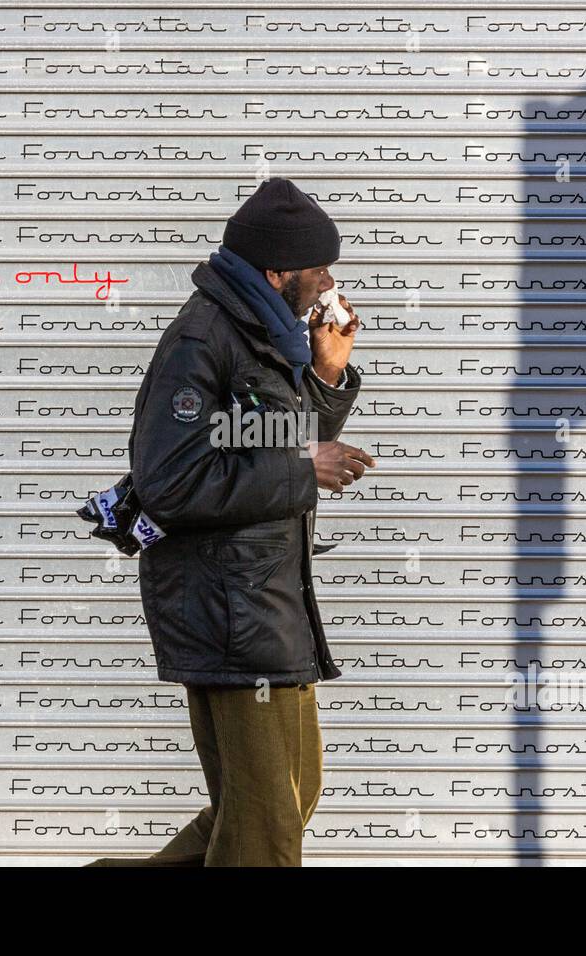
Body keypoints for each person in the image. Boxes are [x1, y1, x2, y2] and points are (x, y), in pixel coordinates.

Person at [84, 177, 376, 866]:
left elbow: (274, 439)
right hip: (228, 612)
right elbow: (170, 482)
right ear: (278, 273)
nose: (329, 286)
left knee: (285, 804)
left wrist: (329, 380)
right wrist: (307, 470)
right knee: (265, 830)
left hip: (267, 603)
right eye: (319, 273)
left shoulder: (265, 334)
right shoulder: (202, 340)